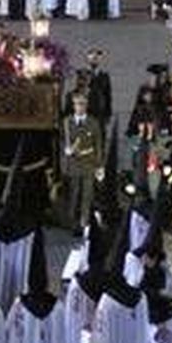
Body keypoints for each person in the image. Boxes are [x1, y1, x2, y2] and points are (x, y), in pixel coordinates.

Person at [62, 92, 105, 236]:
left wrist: (99, 165)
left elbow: (98, 144)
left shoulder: (93, 122)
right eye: (77, 104)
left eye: (83, 104)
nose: (80, 107)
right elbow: (65, 141)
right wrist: (67, 151)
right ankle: (73, 223)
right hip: (74, 163)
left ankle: (84, 223)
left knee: (87, 195)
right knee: (74, 194)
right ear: (73, 106)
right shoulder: (68, 121)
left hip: (89, 162)